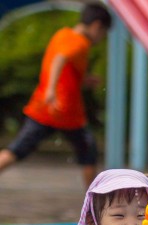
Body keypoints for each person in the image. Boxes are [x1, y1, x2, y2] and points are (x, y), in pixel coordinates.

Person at [0, 3, 111, 188]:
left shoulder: (63, 34)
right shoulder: (80, 42)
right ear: (96, 26)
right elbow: (60, 59)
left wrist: (83, 79)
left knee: (16, 150)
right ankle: (94, 200)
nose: (101, 39)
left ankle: (93, 199)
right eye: (103, 33)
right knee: (88, 152)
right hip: (64, 111)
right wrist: (51, 90)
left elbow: (63, 65)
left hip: (43, 108)